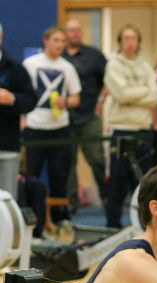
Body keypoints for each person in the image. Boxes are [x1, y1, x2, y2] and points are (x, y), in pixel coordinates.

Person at [22, 27, 81, 223]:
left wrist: (66, 101)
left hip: (60, 130)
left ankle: (60, 220)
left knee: (59, 177)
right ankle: (31, 219)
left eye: (62, 41)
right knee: (31, 176)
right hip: (34, 128)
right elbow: (23, 94)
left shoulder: (68, 67)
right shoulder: (30, 64)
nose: (59, 45)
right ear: (46, 40)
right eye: (55, 40)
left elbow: (76, 98)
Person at [103, 24, 157, 228]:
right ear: (120, 42)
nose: (130, 42)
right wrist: (143, 91)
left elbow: (155, 97)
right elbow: (121, 94)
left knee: (145, 181)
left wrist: (132, 94)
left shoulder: (145, 66)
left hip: (143, 130)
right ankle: (113, 225)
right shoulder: (113, 65)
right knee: (117, 182)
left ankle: (146, 226)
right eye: (126, 38)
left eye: (134, 38)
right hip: (121, 129)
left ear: (138, 42)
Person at [62, 19, 108, 211]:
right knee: (68, 163)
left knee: (97, 160)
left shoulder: (94, 55)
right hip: (65, 118)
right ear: (65, 33)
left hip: (90, 116)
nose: (75, 33)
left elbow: (108, 82)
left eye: (78, 30)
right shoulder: (60, 57)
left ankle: (107, 199)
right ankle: (71, 204)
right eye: (71, 30)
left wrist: (100, 102)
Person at [0, 21, 38, 200]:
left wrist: (12, 99)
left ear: (1, 39)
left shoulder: (15, 68)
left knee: (7, 198)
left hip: (6, 144)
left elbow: (31, 101)